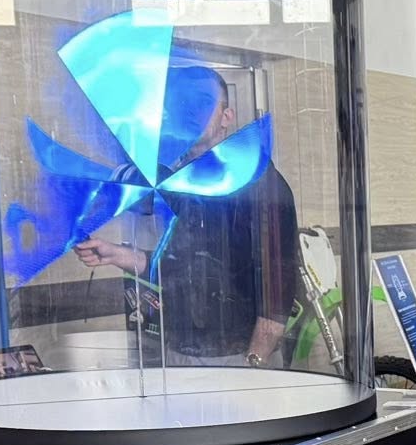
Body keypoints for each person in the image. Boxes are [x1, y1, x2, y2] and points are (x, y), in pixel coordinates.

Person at [74, 67, 297, 368]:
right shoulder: (180, 184)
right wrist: (116, 254)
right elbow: (179, 266)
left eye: (202, 102)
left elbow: (278, 283)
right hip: (181, 353)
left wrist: (253, 363)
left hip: (237, 357)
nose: (190, 111)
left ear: (227, 117)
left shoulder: (257, 181)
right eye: (182, 103)